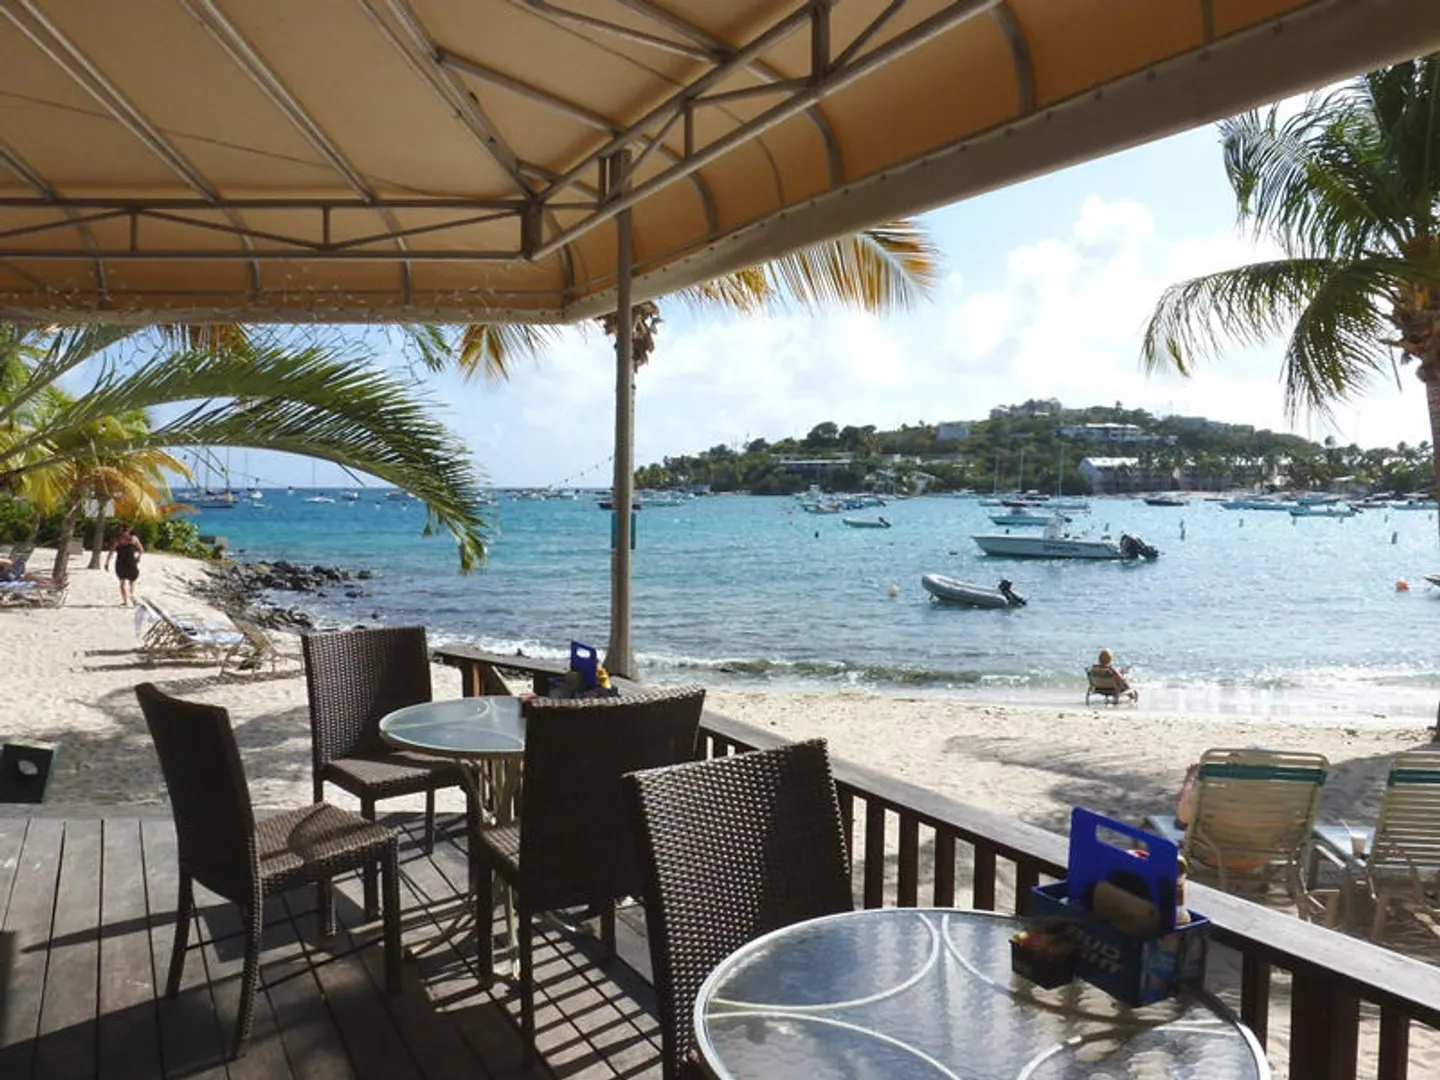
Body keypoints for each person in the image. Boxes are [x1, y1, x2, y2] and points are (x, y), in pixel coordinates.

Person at [104, 525, 143, 606]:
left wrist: (107, 562)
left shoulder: (118, 540)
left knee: (123, 582)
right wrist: (139, 557)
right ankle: (131, 596)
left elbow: (111, 552)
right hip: (130, 562)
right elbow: (141, 549)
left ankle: (125, 601)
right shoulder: (133, 539)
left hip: (121, 563)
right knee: (131, 581)